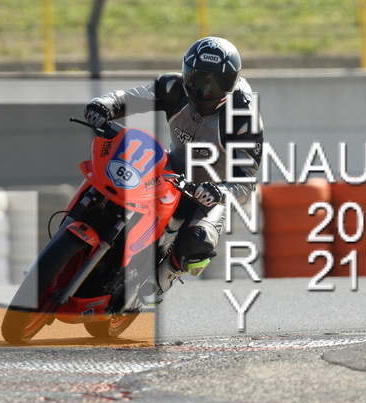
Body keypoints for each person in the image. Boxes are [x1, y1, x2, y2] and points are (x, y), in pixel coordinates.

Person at [84, 36, 263, 298]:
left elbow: (246, 182)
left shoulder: (243, 118)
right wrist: (104, 105)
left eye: (215, 84)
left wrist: (220, 191)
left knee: (198, 241)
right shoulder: (173, 87)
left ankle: (162, 280)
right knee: (112, 179)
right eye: (196, 79)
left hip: (211, 193)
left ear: (232, 83)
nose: (203, 90)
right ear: (185, 73)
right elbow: (132, 97)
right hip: (171, 171)